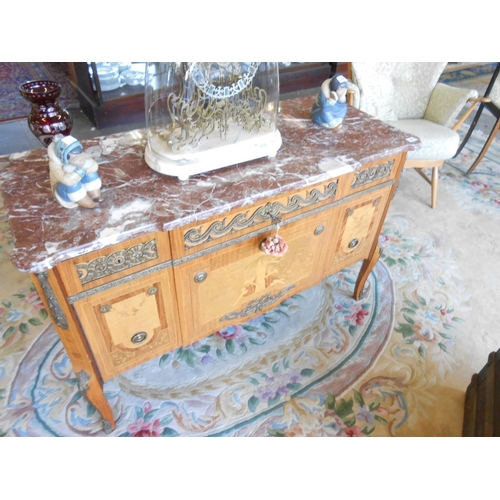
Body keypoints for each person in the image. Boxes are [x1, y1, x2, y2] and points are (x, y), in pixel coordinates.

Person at [47, 134, 102, 209]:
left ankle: (95, 196)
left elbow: (94, 166)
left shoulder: (79, 154)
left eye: (81, 153)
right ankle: (88, 203)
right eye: (75, 158)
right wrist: (80, 170)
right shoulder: (55, 164)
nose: (81, 158)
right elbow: (67, 180)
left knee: (91, 174)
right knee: (73, 185)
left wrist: (88, 166)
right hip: (65, 190)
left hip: (80, 182)